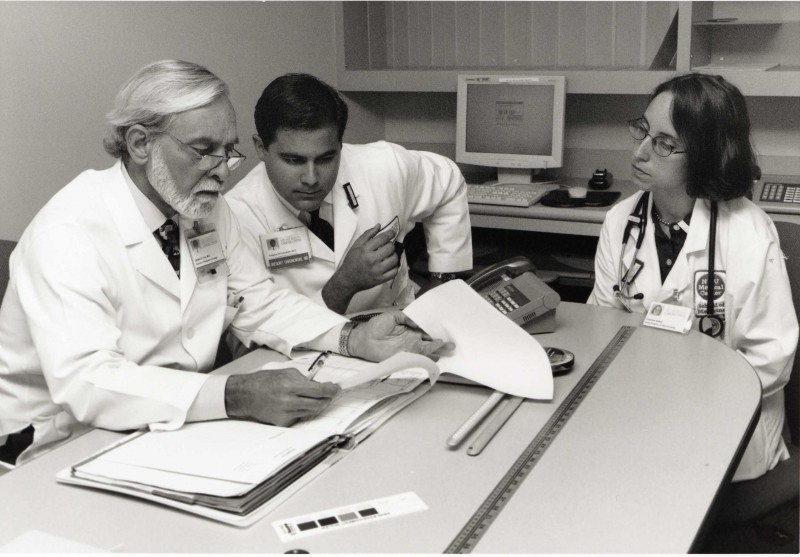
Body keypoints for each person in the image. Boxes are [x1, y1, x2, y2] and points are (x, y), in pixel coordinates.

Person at [0, 60, 452, 466]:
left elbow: (260, 301)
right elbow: (89, 382)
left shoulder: (205, 211)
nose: (222, 169)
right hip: (58, 444)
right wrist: (234, 394)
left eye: (227, 150)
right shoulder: (69, 234)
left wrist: (353, 337)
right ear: (140, 143)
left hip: (171, 427)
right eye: (203, 150)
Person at [588, 73, 798, 481]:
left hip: (728, 432)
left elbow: (771, 360)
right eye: (643, 132)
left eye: (664, 143)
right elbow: (603, 326)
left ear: (705, 154)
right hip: (638, 417)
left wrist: (682, 400)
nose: (640, 152)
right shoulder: (620, 221)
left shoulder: (749, 233)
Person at [225, 73, 473, 316]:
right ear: (261, 148)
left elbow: (448, 180)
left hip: (396, 321)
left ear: (341, 145)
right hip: (307, 352)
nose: (311, 178)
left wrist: (444, 280)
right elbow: (255, 335)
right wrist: (344, 284)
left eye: (326, 158)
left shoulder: (383, 165)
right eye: (293, 160)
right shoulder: (235, 218)